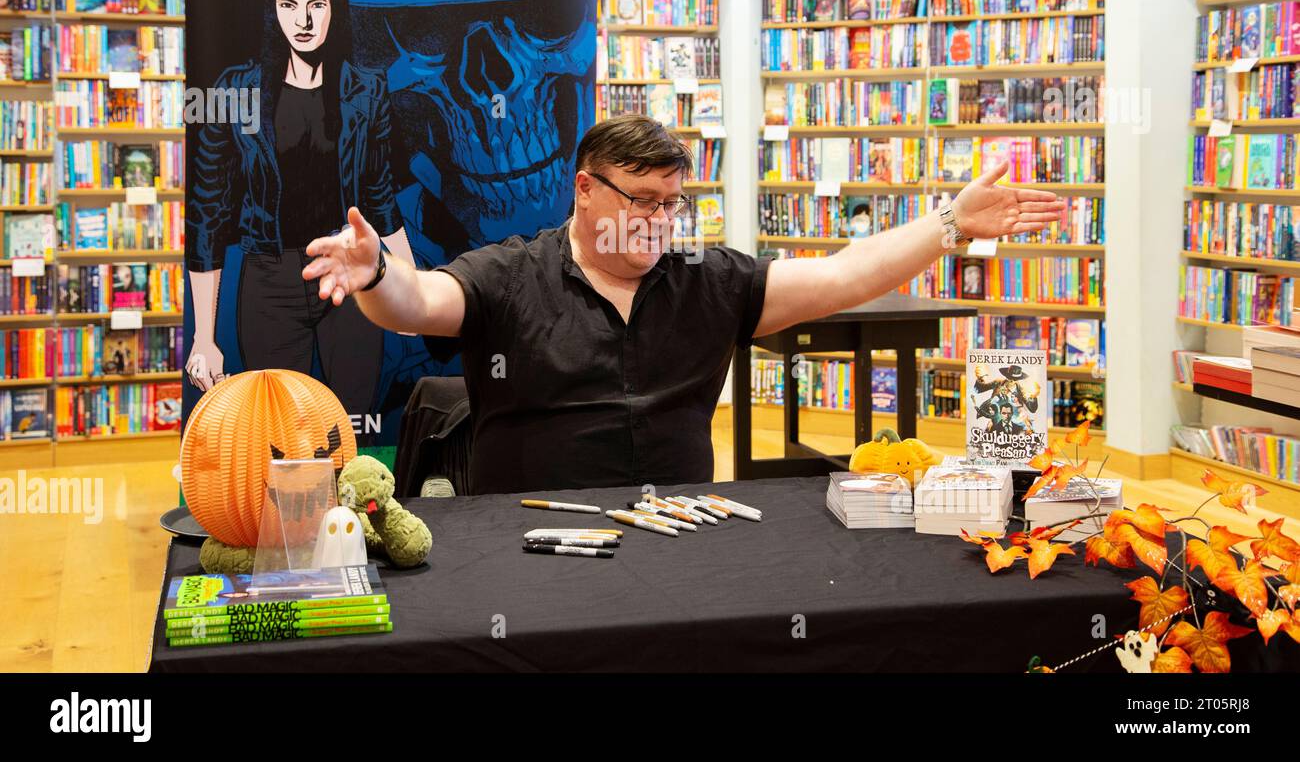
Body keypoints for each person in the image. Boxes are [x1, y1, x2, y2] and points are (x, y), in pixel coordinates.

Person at [301, 114, 1065, 493]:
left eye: (672, 203)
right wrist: (374, 276)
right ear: (585, 191)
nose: (659, 221)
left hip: (683, 532)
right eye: (641, 199)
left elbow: (841, 277)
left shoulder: (707, 277)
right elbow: (419, 302)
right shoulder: (511, 274)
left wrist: (950, 225)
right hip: (529, 541)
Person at [185, 0, 416, 423]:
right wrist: (204, 337)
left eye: (317, 4)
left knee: (354, 428)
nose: (304, 21)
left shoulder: (367, 90)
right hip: (267, 282)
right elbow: (207, 212)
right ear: (273, 7)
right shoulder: (237, 90)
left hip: (349, 278)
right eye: (289, 4)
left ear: (336, 6)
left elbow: (380, 198)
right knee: (277, 433)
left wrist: (413, 291)